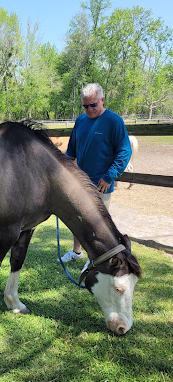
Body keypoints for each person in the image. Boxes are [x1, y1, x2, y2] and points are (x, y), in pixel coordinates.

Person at [59, 83, 132, 266]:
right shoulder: (80, 121)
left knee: (98, 224)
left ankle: (95, 258)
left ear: (102, 100)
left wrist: (109, 176)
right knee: (78, 218)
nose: (89, 109)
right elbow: (72, 150)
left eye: (93, 105)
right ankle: (77, 252)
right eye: (85, 106)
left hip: (101, 183)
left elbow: (124, 151)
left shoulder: (114, 121)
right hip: (80, 181)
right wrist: (64, 170)